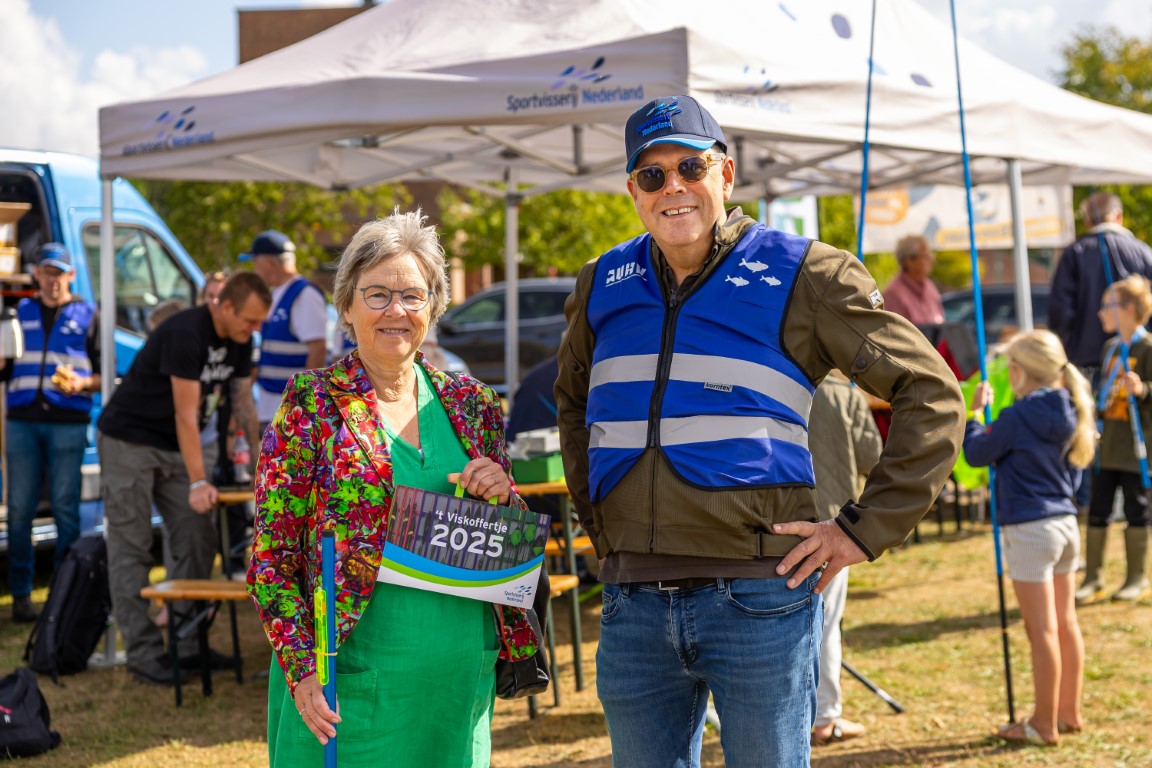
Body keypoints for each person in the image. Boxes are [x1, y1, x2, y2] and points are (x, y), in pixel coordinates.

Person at [554, 94, 965, 766]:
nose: (673, 187)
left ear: (726, 174)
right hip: (631, 602)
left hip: (758, 599)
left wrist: (863, 530)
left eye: (690, 167)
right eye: (653, 175)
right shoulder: (602, 282)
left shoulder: (806, 273)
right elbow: (574, 409)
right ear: (633, 190)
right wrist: (602, 530)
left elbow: (931, 392)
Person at [248, 210, 542, 768]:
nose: (396, 310)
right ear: (347, 306)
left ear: (433, 306)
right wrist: (303, 670)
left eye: (412, 295)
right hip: (349, 683)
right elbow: (271, 556)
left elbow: (506, 544)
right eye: (378, 294)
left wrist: (504, 497)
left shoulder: (473, 404)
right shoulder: (312, 403)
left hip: (457, 682)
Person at [97, 272, 270, 685]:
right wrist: (197, 482)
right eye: (249, 320)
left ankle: (187, 644)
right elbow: (185, 415)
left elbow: (244, 404)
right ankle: (143, 654)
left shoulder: (240, 339)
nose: (254, 329)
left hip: (175, 446)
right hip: (129, 441)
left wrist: (261, 469)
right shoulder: (185, 332)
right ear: (224, 306)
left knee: (198, 536)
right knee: (132, 545)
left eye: (259, 322)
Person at [963, 329, 1093, 745]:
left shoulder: (1018, 416)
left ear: (1019, 372)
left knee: (1042, 631)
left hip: (1031, 529)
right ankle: (1068, 711)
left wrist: (973, 416)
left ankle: (1043, 724)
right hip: (1065, 524)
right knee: (1065, 623)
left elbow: (977, 454)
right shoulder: (1072, 409)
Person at [1, 243, 100, 623]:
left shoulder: (88, 314)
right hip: (22, 421)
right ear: (36, 274)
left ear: (70, 276)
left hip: (68, 423)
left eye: (59, 273)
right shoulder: (19, 312)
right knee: (19, 510)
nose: (52, 280)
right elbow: (5, 370)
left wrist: (83, 382)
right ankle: (21, 596)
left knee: (65, 509)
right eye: (46, 272)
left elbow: (105, 373)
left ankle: (63, 593)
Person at [808, 371, 882, 746]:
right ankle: (824, 718)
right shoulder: (843, 394)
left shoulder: (775, 376)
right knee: (824, 625)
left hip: (774, 523)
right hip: (830, 525)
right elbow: (874, 459)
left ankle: (816, 715)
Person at [1077, 275, 1152, 603]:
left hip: (1136, 448)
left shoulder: (1146, 348)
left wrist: (1143, 389)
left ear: (1129, 309)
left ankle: (1136, 577)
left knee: (1137, 509)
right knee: (1098, 508)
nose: (1100, 312)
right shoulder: (1109, 347)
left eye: (1107, 305)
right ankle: (1093, 576)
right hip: (1106, 445)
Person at [1048, 191, 1152, 373]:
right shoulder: (1143, 252)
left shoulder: (1075, 252)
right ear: (1118, 216)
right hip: (1138, 361)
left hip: (1087, 361)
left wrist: (1069, 348)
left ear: (1087, 221)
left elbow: (1060, 311)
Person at [241, 230, 328, 430]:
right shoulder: (277, 293)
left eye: (255, 262)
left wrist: (302, 404)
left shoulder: (305, 294)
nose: (254, 269)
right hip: (272, 404)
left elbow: (318, 349)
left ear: (269, 263)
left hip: (291, 412)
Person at [882, 234, 945, 325]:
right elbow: (894, 331)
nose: (931, 260)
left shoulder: (929, 286)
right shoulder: (893, 294)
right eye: (926, 256)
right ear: (909, 261)